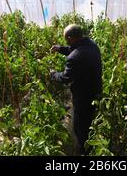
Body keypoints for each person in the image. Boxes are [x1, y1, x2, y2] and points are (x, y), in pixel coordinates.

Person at [50, 24, 102, 155]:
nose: (65, 41)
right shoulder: (91, 45)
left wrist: (53, 74)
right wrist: (60, 49)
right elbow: (75, 49)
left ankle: (83, 151)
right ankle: (91, 145)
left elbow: (66, 78)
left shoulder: (74, 58)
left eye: (65, 39)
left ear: (69, 38)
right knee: (90, 121)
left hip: (82, 96)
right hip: (95, 91)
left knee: (80, 127)